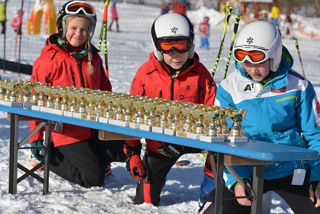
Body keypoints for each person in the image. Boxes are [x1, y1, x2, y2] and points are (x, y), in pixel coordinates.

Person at [199, 21, 320, 213]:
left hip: (290, 168)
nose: (252, 69)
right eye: (246, 63)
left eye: (259, 63)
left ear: (275, 57)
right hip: (245, 168)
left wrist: (317, 178)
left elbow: (315, 136)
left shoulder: (299, 86)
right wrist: (236, 180)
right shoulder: (229, 88)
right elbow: (223, 139)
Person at [28, 0, 126, 188]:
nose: (79, 34)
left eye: (84, 30)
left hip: (91, 128)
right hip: (64, 132)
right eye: (73, 28)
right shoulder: (49, 60)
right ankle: (49, 158)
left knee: (124, 149)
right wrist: (36, 138)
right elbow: (35, 99)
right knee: (92, 180)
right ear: (62, 27)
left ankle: (97, 161)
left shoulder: (93, 58)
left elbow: (106, 90)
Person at [125, 13, 217, 206]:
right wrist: (133, 154)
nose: (176, 55)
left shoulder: (200, 74)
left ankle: (212, 188)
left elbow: (214, 111)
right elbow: (132, 115)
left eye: (182, 46)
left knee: (219, 155)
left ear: (190, 45)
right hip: (160, 146)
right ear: (157, 48)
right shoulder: (145, 74)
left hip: (194, 139)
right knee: (146, 202)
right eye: (168, 47)